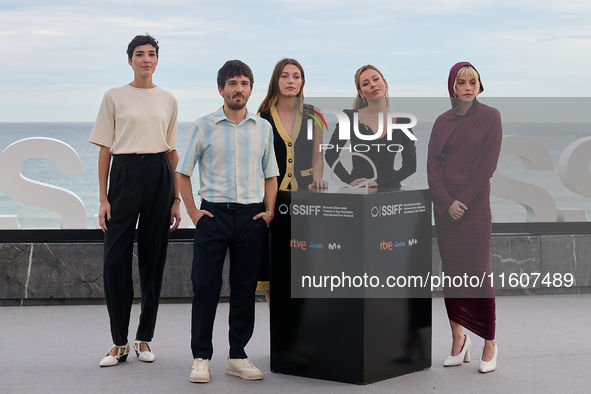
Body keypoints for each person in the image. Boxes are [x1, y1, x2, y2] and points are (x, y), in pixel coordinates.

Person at [177, 60, 279, 383]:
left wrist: (270, 211)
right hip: (213, 215)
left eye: (245, 83)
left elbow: (271, 174)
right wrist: (193, 212)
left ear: (251, 88)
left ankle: (237, 355)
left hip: (251, 217)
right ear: (221, 89)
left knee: (244, 288)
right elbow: (182, 172)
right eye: (233, 83)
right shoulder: (203, 125)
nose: (239, 89)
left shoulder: (262, 127)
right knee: (205, 286)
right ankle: (201, 356)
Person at [89, 34, 181, 367]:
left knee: (153, 261)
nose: (146, 59)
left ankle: (143, 339)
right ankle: (119, 342)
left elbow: (172, 152)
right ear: (129, 60)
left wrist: (176, 199)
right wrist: (103, 198)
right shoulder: (114, 96)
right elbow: (104, 150)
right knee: (114, 260)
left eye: (152, 54)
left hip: (159, 173)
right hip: (125, 174)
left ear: (157, 60)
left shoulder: (168, 99)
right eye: (139, 54)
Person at [427, 62, 502, 373]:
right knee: (453, 274)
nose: (468, 86)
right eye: (462, 82)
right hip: (446, 211)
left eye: (473, 81)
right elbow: (433, 167)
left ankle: (489, 343)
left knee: (479, 272)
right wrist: (446, 203)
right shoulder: (441, 122)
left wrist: (461, 201)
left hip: (474, 207)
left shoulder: (491, 117)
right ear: (452, 87)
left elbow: (488, 165)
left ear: (479, 85)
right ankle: (459, 340)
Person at [256, 58, 328, 305]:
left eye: (296, 76)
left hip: (304, 198)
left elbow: (318, 155)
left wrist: (317, 179)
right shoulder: (262, 117)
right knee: (273, 262)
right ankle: (278, 323)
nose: (291, 81)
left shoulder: (313, 114)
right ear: (276, 80)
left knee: (306, 260)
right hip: (272, 200)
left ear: (302, 81)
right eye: (285, 76)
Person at [325, 65, 416, 188]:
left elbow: (410, 165)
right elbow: (330, 154)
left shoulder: (404, 121)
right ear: (361, 93)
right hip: (359, 191)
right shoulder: (349, 117)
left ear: (385, 83)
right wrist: (349, 179)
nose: (373, 85)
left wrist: (379, 183)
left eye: (376, 79)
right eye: (366, 83)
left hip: (390, 192)